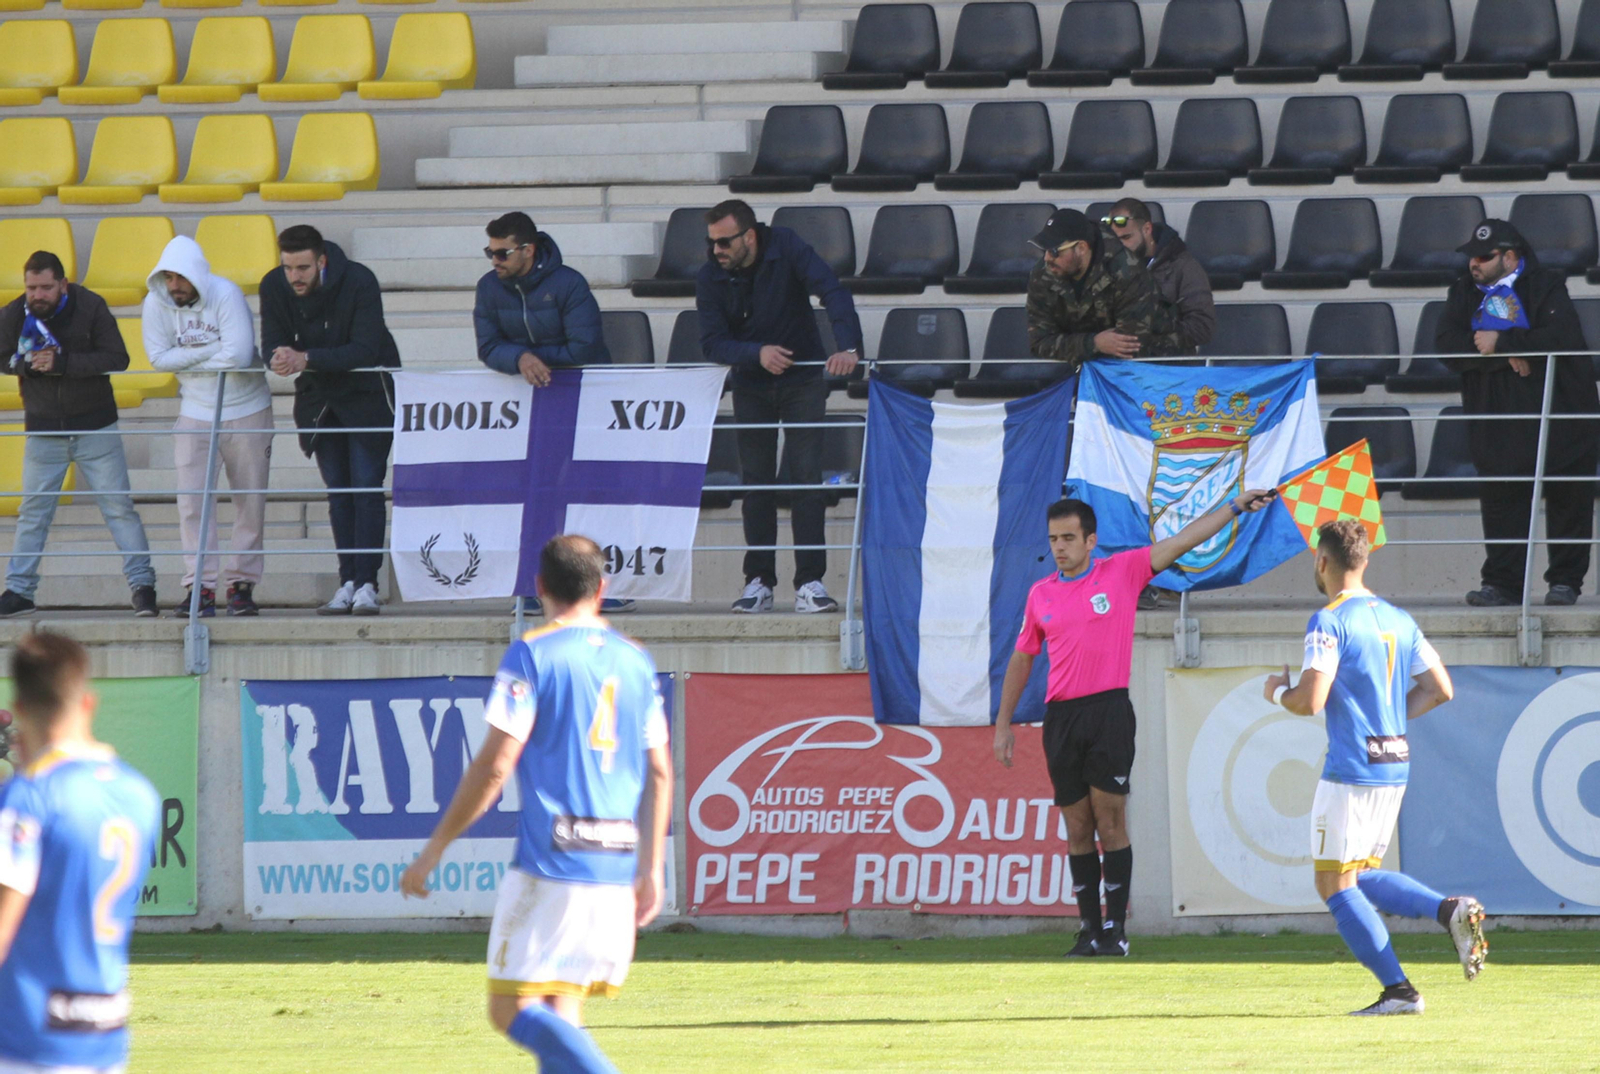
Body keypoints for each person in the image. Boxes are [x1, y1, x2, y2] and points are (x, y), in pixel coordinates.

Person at [401, 534, 672, 1074]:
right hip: (615, 856)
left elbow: (496, 766)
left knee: (508, 1009)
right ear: (604, 588)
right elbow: (661, 770)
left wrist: (433, 850)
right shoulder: (636, 660)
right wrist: (652, 870)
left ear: (539, 586)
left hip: (554, 857)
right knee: (560, 1009)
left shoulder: (534, 652)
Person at [992, 489, 1278, 957]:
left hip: (1108, 713)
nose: (1060, 547)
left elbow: (1183, 540)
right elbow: (1023, 658)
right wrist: (1003, 723)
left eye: (1068, 538)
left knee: (1111, 819)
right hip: (1061, 718)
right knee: (1077, 826)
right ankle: (1087, 930)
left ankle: (1115, 929)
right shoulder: (1040, 594)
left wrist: (1233, 507)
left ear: (1090, 541)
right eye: (1053, 539)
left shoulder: (1122, 572)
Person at [1262, 519, 1486, 1015]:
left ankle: (1399, 991)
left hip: (1351, 768)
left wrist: (1277, 690)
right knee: (1359, 874)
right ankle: (1449, 910)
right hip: (1394, 762)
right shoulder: (1398, 618)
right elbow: (1440, 688)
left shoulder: (1330, 620)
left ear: (1322, 562)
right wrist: (1384, 717)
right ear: (1363, 561)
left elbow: (1311, 700)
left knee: (1333, 884)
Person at [0, 630, 161, 1072]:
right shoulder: (140, 794)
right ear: (88, 702)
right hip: (105, 1036)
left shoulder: (29, 798)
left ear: (19, 710)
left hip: (27, 1039)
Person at [697, 199, 864, 615]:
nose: (716, 251)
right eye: (712, 242)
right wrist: (758, 353)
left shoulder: (786, 245)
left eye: (724, 242)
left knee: (805, 481)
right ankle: (759, 581)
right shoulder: (709, 275)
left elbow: (831, 290)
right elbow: (712, 343)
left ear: (749, 236)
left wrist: (847, 347)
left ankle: (810, 581)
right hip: (751, 384)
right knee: (757, 484)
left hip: (803, 379)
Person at [1436, 218, 1600, 607]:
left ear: (1510, 257)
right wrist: (1507, 355)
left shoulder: (1546, 286)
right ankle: (1502, 583)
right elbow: (1447, 346)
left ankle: (1565, 582)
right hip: (1497, 418)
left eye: (1484, 257)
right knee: (1501, 500)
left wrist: (1504, 340)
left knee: (1568, 499)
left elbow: (1562, 338)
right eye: (1470, 257)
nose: (1474, 264)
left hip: (1560, 415)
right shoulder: (1462, 292)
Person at [0, 251, 158, 619]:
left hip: (95, 426)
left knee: (119, 509)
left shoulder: (91, 305)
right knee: (33, 513)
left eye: (44, 287)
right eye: (30, 288)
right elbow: (1, 356)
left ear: (62, 284)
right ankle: (20, 591)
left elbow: (117, 358)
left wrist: (64, 363)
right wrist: (26, 366)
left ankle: (143, 587)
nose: (36, 295)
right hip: (43, 430)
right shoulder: (13, 312)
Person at [260, 225, 400, 617]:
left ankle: (368, 583)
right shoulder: (273, 285)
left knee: (366, 488)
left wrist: (306, 358)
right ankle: (349, 582)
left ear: (321, 261)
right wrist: (279, 357)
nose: (294, 277)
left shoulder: (359, 281)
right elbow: (270, 339)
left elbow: (365, 348)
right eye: (288, 268)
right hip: (320, 399)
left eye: (302, 267)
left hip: (368, 395)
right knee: (339, 493)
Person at [144, 235, 274, 618]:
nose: (173, 286)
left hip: (248, 407)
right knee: (191, 503)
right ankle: (199, 585)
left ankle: (241, 584)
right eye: (167, 278)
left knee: (249, 500)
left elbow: (238, 355)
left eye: (180, 278)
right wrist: (211, 351)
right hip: (195, 410)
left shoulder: (226, 294)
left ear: (196, 275)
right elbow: (157, 359)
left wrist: (184, 358)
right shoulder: (156, 303)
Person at [1025, 209, 1184, 373]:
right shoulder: (1043, 275)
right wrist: (1094, 343)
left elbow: (1130, 347)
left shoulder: (1128, 272)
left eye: (1055, 251)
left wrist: (1080, 348)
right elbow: (1039, 343)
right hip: (1087, 368)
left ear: (1081, 248)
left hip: (1155, 367)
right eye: (1044, 250)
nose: (1047, 259)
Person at [475, 211, 609, 383]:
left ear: (528, 250)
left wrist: (527, 359)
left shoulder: (570, 283)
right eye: (490, 253)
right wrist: (520, 358)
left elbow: (583, 349)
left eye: (502, 254)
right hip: (523, 386)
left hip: (583, 383)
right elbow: (487, 347)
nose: (494, 261)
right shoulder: (488, 287)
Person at [1104, 198, 1215, 354]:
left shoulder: (1184, 266)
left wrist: (1146, 337)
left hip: (1170, 370)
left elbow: (1202, 328)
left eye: (1126, 238)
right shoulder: (1107, 267)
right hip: (1121, 370)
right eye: (1116, 240)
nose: (1121, 246)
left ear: (1147, 229)